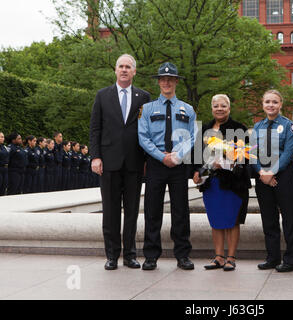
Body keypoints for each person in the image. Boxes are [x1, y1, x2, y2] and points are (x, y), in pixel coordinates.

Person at [90, 54, 151, 271]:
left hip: (135, 163)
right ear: (115, 70)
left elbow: (148, 130)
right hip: (108, 162)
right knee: (110, 211)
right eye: (121, 66)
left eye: (128, 67)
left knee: (132, 211)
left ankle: (130, 255)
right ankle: (112, 255)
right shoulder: (102, 96)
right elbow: (95, 128)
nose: (124, 70)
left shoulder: (144, 97)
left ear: (134, 72)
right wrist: (95, 156)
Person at [138, 62, 196, 271]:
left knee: (181, 210)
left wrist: (177, 156)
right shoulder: (147, 109)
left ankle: (183, 255)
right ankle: (151, 256)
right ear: (159, 82)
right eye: (163, 79)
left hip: (178, 165)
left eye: (170, 79)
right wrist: (160, 157)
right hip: (156, 164)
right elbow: (143, 137)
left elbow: (192, 137)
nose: (166, 82)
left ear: (176, 82)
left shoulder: (188, 109)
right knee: (152, 210)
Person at [192, 94, 251, 272]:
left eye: (223, 106)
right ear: (212, 108)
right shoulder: (203, 130)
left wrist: (229, 162)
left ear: (229, 108)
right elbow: (196, 157)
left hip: (233, 183)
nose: (219, 108)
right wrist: (195, 173)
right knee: (216, 219)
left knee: (232, 220)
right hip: (211, 183)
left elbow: (245, 159)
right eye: (216, 106)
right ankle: (218, 256)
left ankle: (231, 257)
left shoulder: (239, 129)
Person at [251, 89, 293, 273]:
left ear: (281, 104)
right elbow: (252, 153)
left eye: (274, 102)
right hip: (262, 177)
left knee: (289, 218)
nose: (270, 105)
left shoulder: (289, 126)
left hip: (283, 176)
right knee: (268, 219)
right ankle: (272, 257)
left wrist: (272, 172)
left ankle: (291, 260)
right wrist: (262, 173)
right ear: (262, 105)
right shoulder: (257, 127)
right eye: (267, 102)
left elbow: (289, 152)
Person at [0, 132, 9, 196]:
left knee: (4, 186)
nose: (3, 138)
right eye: (1, 137)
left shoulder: (4, 147)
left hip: (5, 169)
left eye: (3, 137)